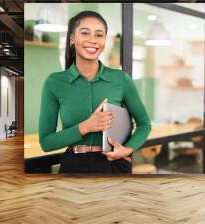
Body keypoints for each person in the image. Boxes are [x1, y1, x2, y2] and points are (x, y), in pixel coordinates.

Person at [38, 10, 152, 173]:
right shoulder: (54, 82)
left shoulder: (120, 79)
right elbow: (46, 143)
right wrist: (86, 126)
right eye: (85, 33)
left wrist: (127, 149)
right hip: (74, 167)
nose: (92, 40)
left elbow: (144, 124)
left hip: (115, 165)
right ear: (72, 39)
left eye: (99, 35)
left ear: (105, 41)